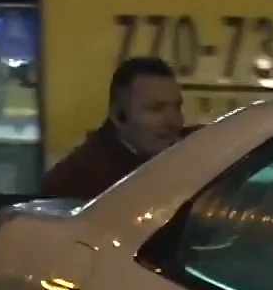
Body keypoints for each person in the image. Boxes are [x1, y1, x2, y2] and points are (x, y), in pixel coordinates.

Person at [39, 56, 185, 200]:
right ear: (118, 116)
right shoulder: (75, 183)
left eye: (177, 107)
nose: (174, 121)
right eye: (156, 109)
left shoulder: (179, 157)